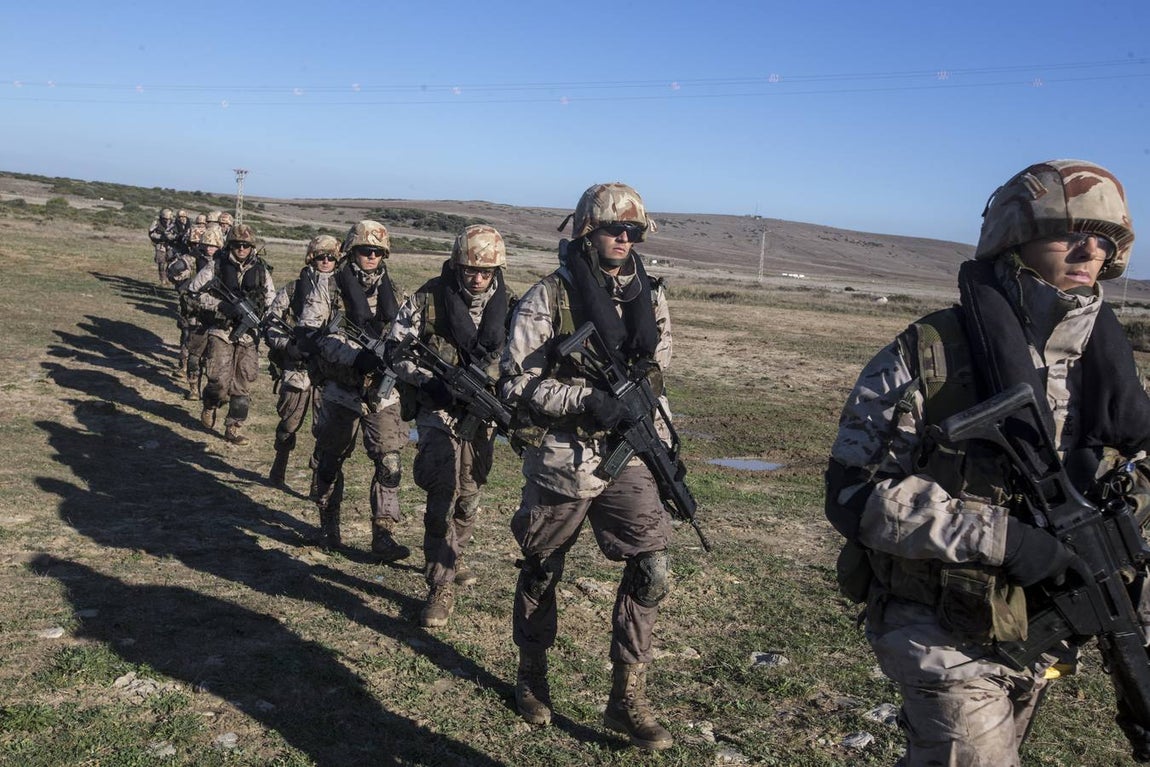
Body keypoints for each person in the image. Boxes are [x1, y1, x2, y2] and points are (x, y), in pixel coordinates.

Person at [826, 160, 1145, 766]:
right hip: (938, 624)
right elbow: (853, 494)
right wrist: (1006, 540)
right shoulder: (933, 352)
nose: (1088, 249)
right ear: (1013, 240)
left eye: (1104, 238)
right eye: (1066, 232)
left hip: (1035, 623)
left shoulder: (1107, 365)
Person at [499, 182, 676, 750]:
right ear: (587, 232)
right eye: (611, 229)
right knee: (542, 567)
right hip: (563, 458)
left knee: (653, 569)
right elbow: (517, 382)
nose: (623, 239)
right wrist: (584, 400)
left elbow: (656, 375)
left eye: (632, 232)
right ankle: (532, 675)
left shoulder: (652, 295)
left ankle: (627, 697)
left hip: (629, 451)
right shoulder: (548, 297)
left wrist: (663, 440)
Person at [390, 225, 516, 627]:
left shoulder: (511, 306)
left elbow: (524, 362)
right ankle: (439, 584)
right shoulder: (428, 298)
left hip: (481, 413)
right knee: (442, 491)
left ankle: (455, 554)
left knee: (469, 495)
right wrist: (431, 382)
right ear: (456, 265)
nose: (477, 279)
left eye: (485, 272)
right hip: (437, 409)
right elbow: (395, 351)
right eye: (469, 271)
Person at [296, 220, 410, 560]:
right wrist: (354, 357)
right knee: (329, 461)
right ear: (352, 251)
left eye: (377, 251)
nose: (371, 256)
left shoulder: (396, 292)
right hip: (340, 389)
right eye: (364, 250)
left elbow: (407, 337)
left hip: (383, 394)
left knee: (390, 463)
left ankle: (384, 535)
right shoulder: (327, 289)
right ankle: (328, 527)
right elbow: (312, 334)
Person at [186, 223, 276, 445]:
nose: (242, 249)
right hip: (222, 331)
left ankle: (233, 427)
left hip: (248, 336)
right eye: (237, 245)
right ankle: (209, 403)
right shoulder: (216, 266)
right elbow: (192, 293)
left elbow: (272, 302)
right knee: (217, 380)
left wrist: (264, 318)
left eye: (246, 245)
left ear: (252, 246)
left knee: (242, 383)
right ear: (230, 245)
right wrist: (220, 306)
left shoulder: (261, 270)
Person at [264, 234, 340, 485]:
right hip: (298, 369)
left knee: (326, 431)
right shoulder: (293, 289)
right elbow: (271, 324)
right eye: (321, 256)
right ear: (312, 258)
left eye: (331, 257)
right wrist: (288, 346)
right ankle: (279, 465)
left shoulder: (345, 291)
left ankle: (318, 482)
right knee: (288, 422)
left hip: (330, 374)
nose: (326, 261)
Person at [148, 208, 177, 284]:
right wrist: (161, 237)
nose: (166, 220)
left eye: (168, 219)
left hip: (171, 245)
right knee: (161, 263)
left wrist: (173, 237)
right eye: (165, 219)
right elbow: (151, 233)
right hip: (160, 245)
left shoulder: (174, 223)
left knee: (171, 262)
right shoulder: (156, 222)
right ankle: (162, 279)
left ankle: (169, 277)